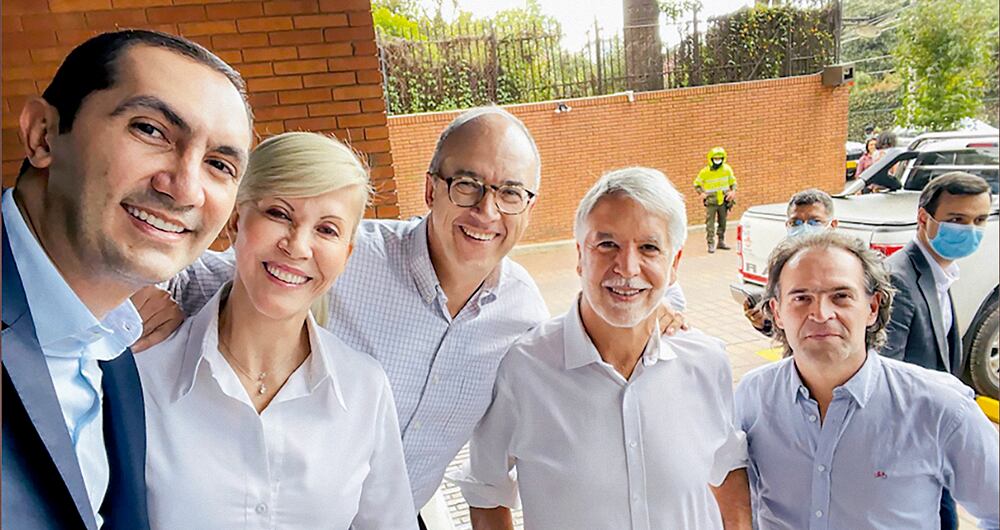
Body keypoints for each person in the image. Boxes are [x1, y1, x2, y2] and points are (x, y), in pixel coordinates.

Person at [2, 30, 252, 529]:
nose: (184, 188)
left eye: (219, 164)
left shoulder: (118, 346)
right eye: (151, 130)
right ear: (44, 135)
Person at [136, 132, 416, 528]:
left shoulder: (363, 388)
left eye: (327, 230)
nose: (298, 246)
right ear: (236, 221)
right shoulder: (145, 372)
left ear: (346, 255)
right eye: (279, 214)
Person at [452, 167, 751, 530]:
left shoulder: (706, 361)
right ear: (580, 255)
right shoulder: (523, 369)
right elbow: (486, 492)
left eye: (649, 248)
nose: (626, 267)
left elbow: (728, 467)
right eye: (607, 244)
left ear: (674, 264)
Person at [735, 231, 999, 530]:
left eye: (841, 296)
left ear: (873, 308)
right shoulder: (752, 396)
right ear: (777, 312)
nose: (821, 314)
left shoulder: (940, 406)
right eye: (801, 298)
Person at [882, 172, 993, 530]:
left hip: (936, 438)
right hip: (913, 442)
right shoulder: (900, 277)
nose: (970, 230)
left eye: (979, 221)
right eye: (956, 220)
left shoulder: (940, 273)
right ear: (923, 219)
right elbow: (885, 373)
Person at [743, 189, 839, 336]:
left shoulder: (848, 267)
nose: (805, 228)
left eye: (815, 221)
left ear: (832, 225)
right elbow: (782, 328)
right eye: (796, 222)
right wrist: (765, 323)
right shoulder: (782, 266)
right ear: (788, 225)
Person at [694, 147, 737, 253]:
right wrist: (701, 193)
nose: (718, 160)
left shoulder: (727, 169)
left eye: (720, 158)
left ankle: (721, 241)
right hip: (711, 201)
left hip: (724, 200)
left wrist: (733, 191)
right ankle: (710, 243)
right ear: (711, 159)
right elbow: (697, 184)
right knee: (710, 224)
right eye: (715, 158)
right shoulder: (705, 172)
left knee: (723, 222)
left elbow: (733, 182)